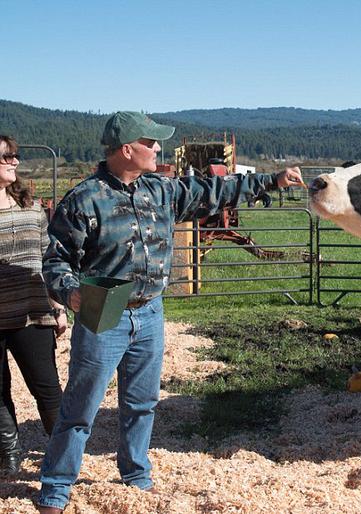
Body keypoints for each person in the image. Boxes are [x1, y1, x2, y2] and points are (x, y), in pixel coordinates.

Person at [36, 112, 305, 513]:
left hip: (150, 312)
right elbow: (56, 261)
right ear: (127, 149)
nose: (158, 148)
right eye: (152, 142)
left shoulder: (161, 190)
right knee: (80, 409)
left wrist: (271, 180)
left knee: (142, 403)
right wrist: (73, 295)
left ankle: (135, 474)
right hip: (101, 314)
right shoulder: (84, 198)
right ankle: (56, 489)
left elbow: (215, 189)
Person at [0, 135, 66, 476]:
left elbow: (48, 258)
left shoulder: (31, 207)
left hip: (33, 313)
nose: (14, 161)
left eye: (15, 156)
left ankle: (61, 457)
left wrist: (58, 306)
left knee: (48, 389)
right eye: (6, 157)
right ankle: (9, 456)